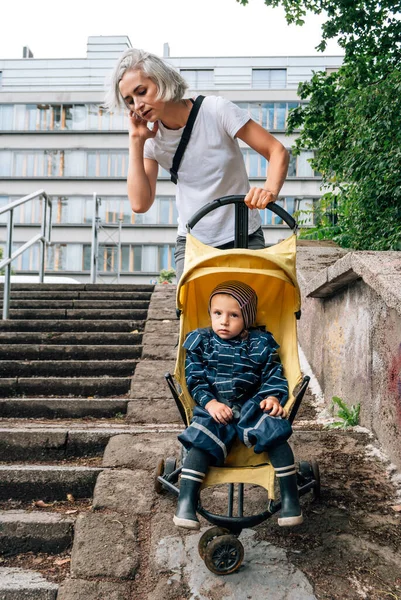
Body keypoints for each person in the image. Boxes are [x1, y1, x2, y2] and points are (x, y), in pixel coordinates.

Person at [105, 49, 289, 281]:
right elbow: (140, 203)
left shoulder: (215, 110)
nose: (137, 105)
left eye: (142, 92)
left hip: (244, 235)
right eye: (129, 101)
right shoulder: (151, 140)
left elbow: (276, 150)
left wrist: (269, 190)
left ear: (162, 81)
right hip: (193, 244)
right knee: (193, 317)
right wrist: (136, 141)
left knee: (249, 314)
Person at [174, 280, 303, 530]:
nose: (224, 321)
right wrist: (210, 403)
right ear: (210, 313)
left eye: (234, 315)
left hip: (252, 404)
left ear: (248, 318)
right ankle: (187, 501)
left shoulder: (260, 342)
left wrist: (273, 398)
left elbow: (273, 374)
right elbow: (194, 378)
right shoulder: (200, 341)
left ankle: (290, 498)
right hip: (214, 407)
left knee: (274, 431)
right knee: (200, 439)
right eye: (217, 313)